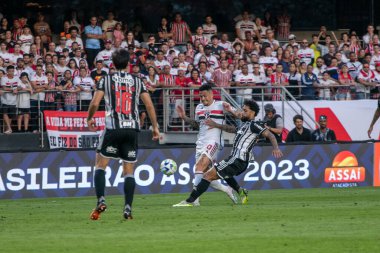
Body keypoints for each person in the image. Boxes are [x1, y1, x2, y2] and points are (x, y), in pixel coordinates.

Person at [88, 48, 159, 220]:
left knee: (100, 165)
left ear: (112, 64)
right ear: (128, 64)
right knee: (128, 171)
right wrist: (155, 127)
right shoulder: (138, 80)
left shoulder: (105, 80)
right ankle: (128, 208)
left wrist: (89, 118)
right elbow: (149, 105)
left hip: (113, 128)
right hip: (132, 129)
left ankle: (101, 200)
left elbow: (95, 102)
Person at [173, 99, 283, 207]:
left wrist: (276, 148)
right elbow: (231, 127)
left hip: (238, 159)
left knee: (207, 175)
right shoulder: (244, 124)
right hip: (235, 159)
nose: (242, 112)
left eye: (245, 110)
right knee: (223, 174)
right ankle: (240, 191)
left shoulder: (255, 125)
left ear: (252, 112)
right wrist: (221, 120)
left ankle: (191, 201)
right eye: (242, 110)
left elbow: (271, 135)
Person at [176, 84, 239, 205]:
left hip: (214, 141)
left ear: (211, 94)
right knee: (206, 175)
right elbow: (196, 125)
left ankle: (193, 200)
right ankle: (227, 189)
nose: (203, 99)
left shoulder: (221, 105)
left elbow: (237, 121)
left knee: (199, 167)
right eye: (200, 96)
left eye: (205, 96)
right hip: (200, 142)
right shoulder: (199, 107)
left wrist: (231, 110)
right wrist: (184, 117)